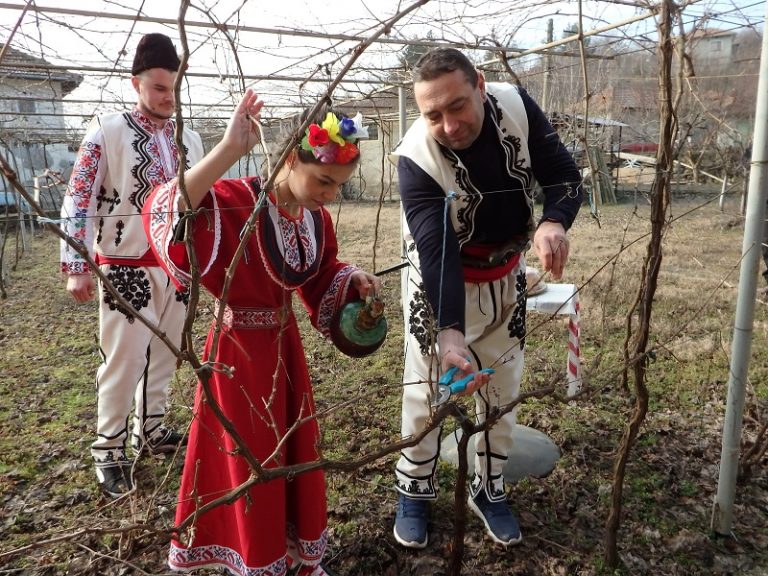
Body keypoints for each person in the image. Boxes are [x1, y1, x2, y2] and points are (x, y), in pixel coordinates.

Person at [142, 90, 380, 576]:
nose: (329, 194)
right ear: (290, 157)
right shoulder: (234, 202)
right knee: (247, 459)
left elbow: (320, 275)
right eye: (323, 180)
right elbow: (166, 210)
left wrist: (350, 279)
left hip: (285, 350)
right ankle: (256, 557)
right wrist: (229, 148)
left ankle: (293, 554)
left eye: (339, 184)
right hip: (236, 358)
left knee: (292, 453)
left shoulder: (314, 219)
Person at [391, 48, 583, 548]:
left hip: (507, 272)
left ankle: (489, 487)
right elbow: (436, 251)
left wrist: (553, 221)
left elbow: (562, 171)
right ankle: (414, 486)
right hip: (439, 278)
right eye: (433, 114)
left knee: (502, 381)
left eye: (458, 105)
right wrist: (449, 329)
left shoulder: (515, 105)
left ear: (479, 83)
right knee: (429, 382)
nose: (449, 124)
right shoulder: (416, 159)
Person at [59, 33, 204, 498]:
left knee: (166, 353)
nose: (169, 97)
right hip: (125, 266)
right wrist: (77, 263)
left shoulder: (193, 138)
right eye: (160, 87)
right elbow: (78, 195)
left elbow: (206, 203)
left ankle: (153, 428)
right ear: (136, 83)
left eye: (175, 88)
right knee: (122, 360)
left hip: (179, 267)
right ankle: (109, 448)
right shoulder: (107, 131)